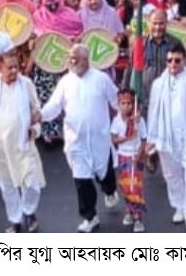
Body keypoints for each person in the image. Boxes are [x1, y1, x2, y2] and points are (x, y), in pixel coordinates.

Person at [40, 44, 120, 233]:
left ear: (86, 59)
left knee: (105, 174)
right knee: (82, 180)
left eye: (75, 58)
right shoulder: (65, 82)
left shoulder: (101, 79)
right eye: (70, 58)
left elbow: (116, 101)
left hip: (100, 139)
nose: (71, 61)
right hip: (76, 142)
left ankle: (109, 191)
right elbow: (54, 106)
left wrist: (128, 117)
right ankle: (90, 217)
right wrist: (39, 115)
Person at [146, 25, 186, 232]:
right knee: (172, 175)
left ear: (184, 61)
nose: (173, 64)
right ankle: (179, 207)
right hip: (166, 136)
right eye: (170, 60)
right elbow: (153, 111)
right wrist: (151, 137)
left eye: (177, 60)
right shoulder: (158, 84)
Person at [0, 52, 44, 233]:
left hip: (24, 142)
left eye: (17, 66)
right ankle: (15, 220)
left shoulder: (26, 84)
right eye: (10, 67)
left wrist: (35, 130)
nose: (14, 71)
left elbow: (36, 111)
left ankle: (29, 211)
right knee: (7, 186)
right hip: (0, 145)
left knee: (32, 183)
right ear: (0, 68)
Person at [110, 88, 149, 233]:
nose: (126, 106)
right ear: (119, 105)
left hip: (135, 156)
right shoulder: (116, 120)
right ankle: (129, 211)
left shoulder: (139, 121)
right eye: (123, 103)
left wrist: (138, 156)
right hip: (122, 157)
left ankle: (138, 217)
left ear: (133, 104)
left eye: (129, 103)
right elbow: (114, 139)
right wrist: (127, 137)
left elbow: (144, 140)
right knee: (125, 187)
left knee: (135, 187)